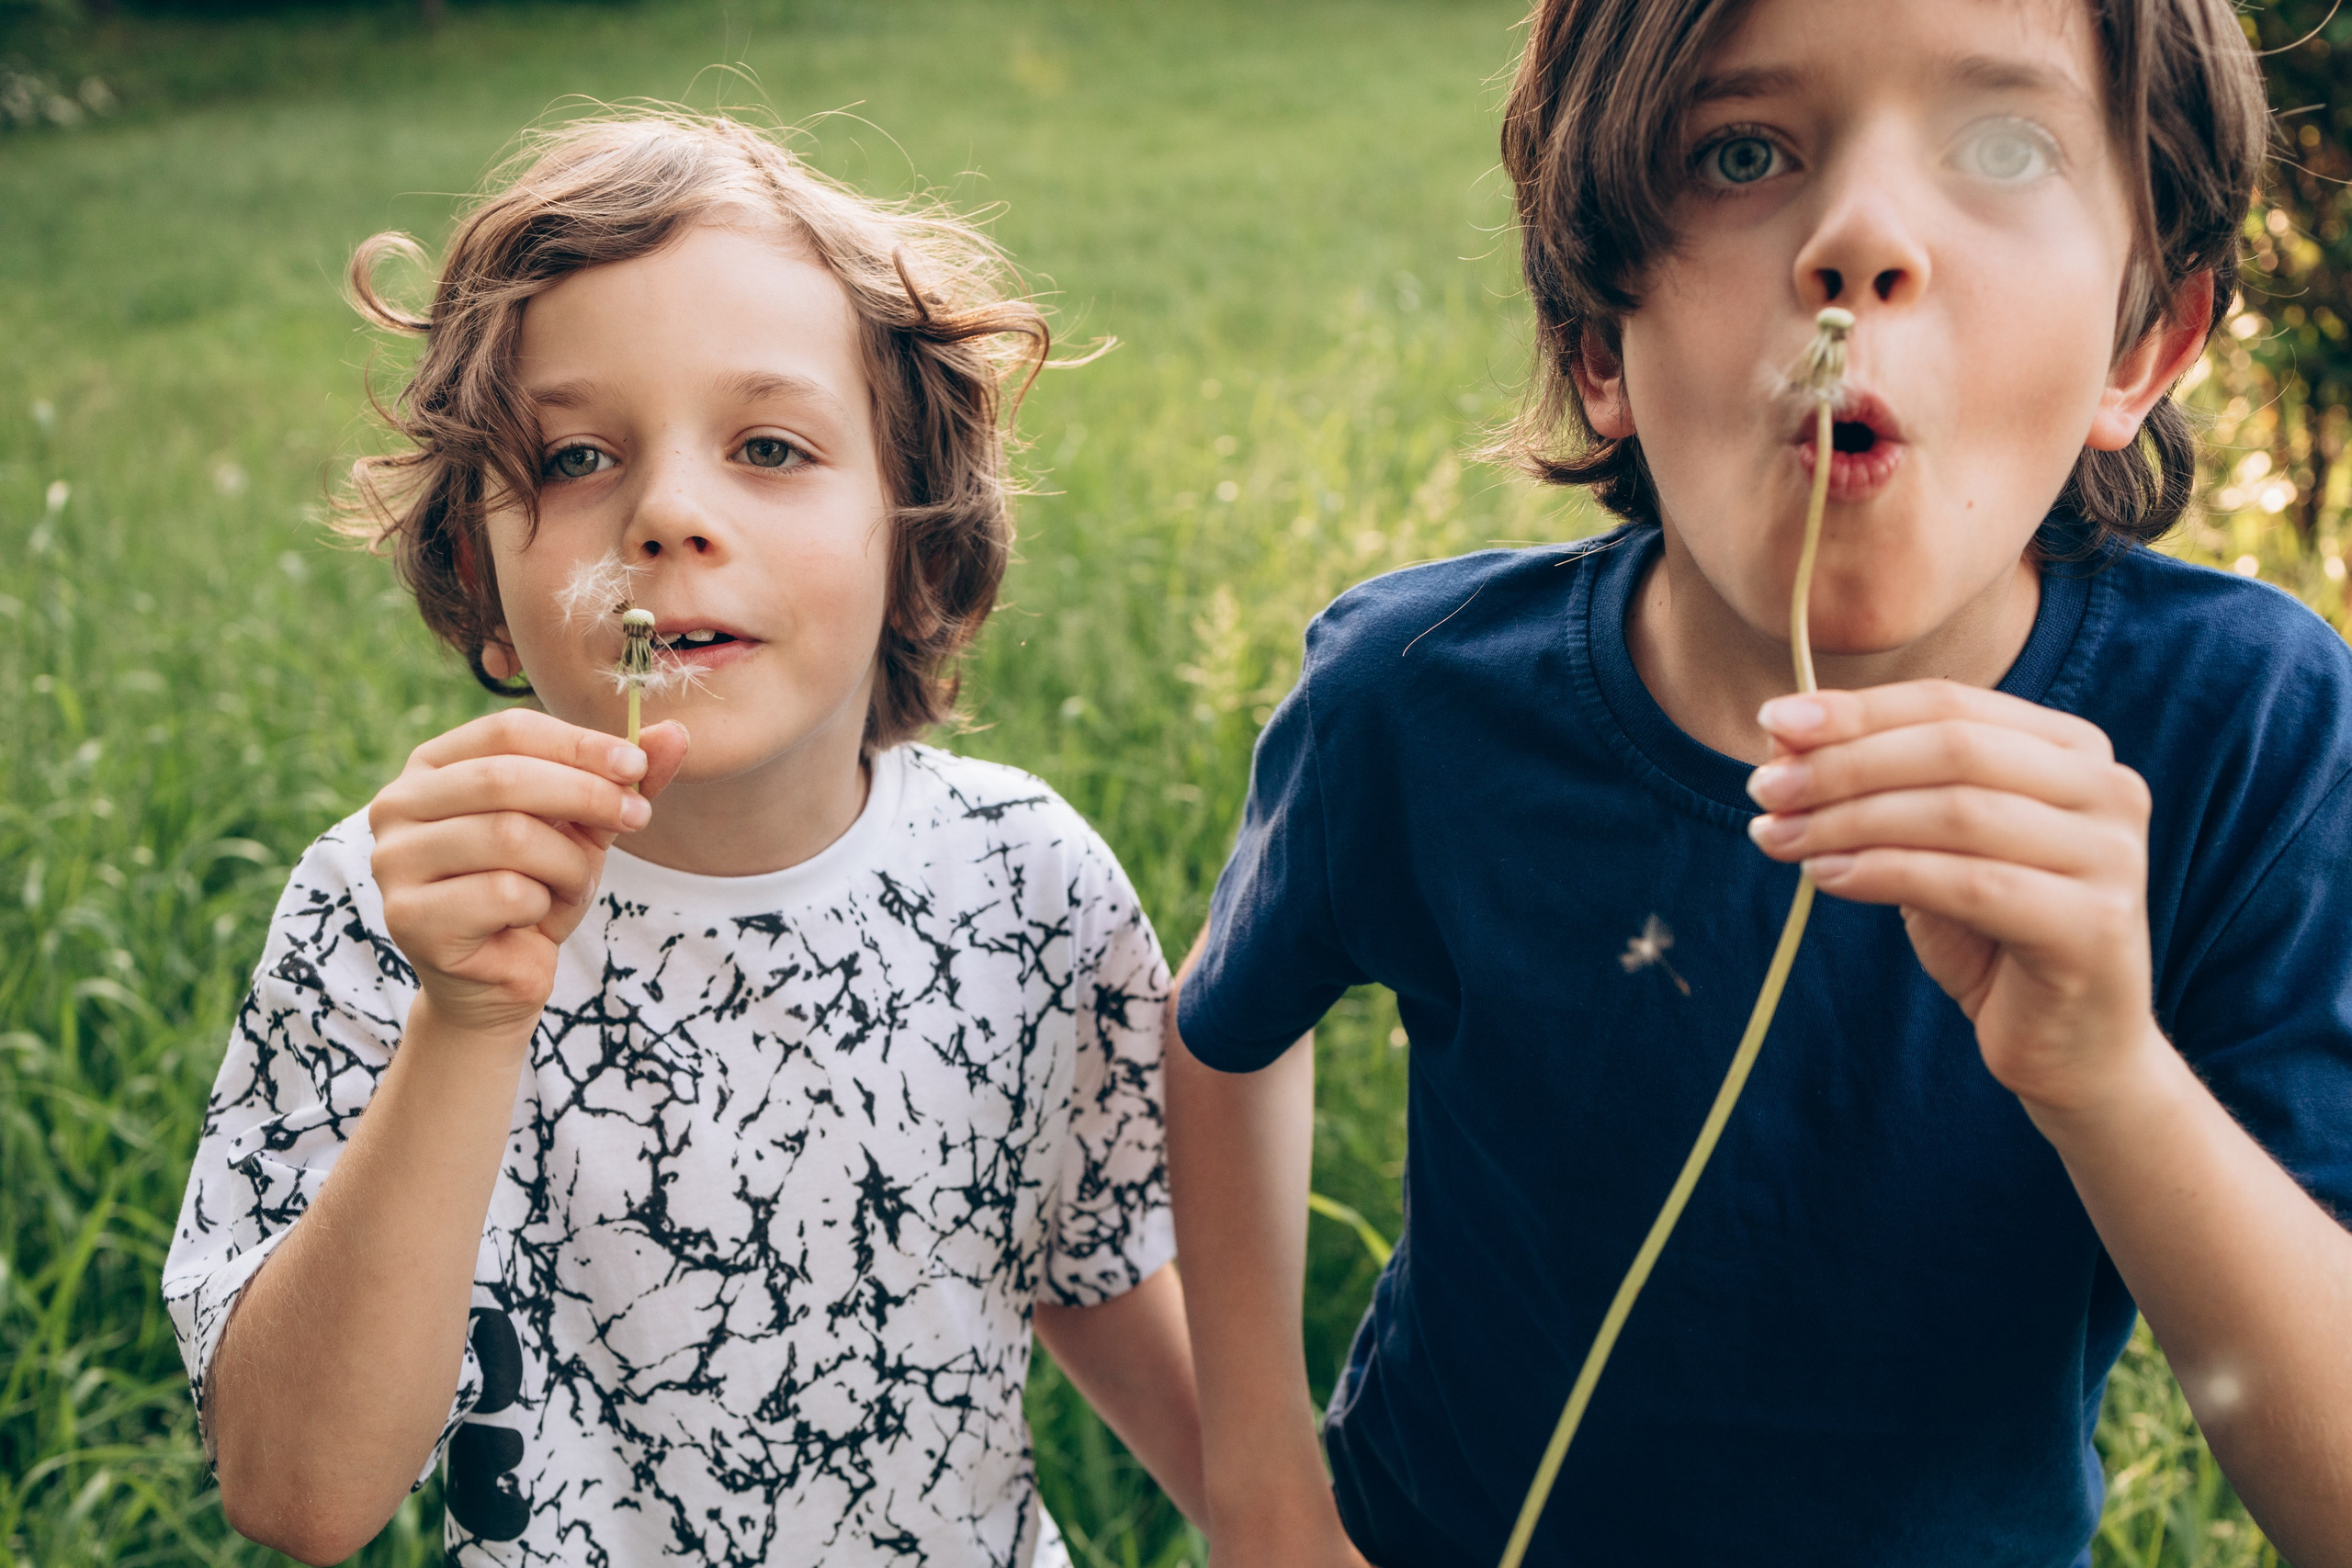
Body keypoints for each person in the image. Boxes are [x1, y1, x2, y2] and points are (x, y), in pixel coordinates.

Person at [1167, 1, 2352, 1564]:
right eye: (1742, 153)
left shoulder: (2238, 724)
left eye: (2003, 144)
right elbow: (1225, 1031)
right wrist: (1261, 1498)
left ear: (2144, 345)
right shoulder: (1414, 700)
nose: (1859, 238)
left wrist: (2110, 1073)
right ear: (1600, 345)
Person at [163, 111, 1201, 1568]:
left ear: (918, 537)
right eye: (578, 455)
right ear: (472, 553)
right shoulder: (394, 909)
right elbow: (298, 1495)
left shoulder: (1026, 884)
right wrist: (465, 1019)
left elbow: (1084, 1262)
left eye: (770, 446)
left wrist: (1278, 1521)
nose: (668, 513)